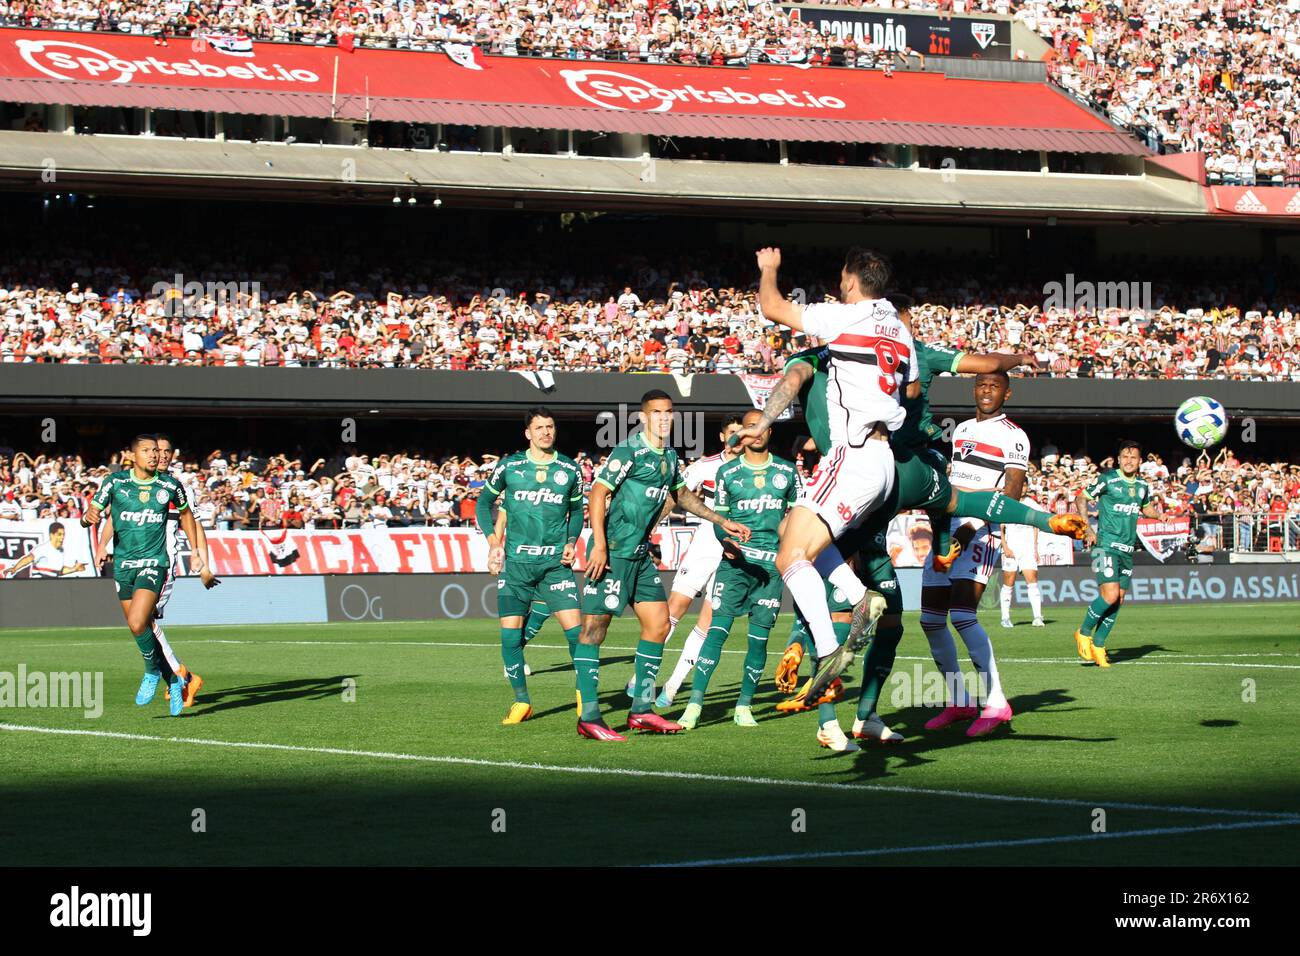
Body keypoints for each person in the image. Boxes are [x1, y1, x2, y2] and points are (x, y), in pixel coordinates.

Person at [751, 246, 914, 753]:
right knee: (806, 545)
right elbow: (906, 392)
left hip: (855, 454)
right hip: (885, 464)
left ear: (849, 279)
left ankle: (827, 651)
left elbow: (773, 308)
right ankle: (858, 595)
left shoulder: (847, 315)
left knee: (788, 556)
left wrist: (770, 270)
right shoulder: (901, 329)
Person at [575, 390, 750, 742]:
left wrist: (721, 520)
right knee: (595, 630)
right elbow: (597, 492)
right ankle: (589, 715)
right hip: (612, 554)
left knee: (657, 625)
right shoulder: (629, 450)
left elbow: (682, 495)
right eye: (656, 412)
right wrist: (600, 545)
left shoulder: (669, 456)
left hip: (639, 556)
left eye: (668, 412)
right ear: (643, 416)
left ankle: (641, 709)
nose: (664, 418)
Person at [919, 371, 1031, 737]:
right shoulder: (963, 430)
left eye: (995, 386)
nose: (987, 390)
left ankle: (997, 702)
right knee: (931, 618)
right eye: (981, 384)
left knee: (963, 614)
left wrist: (970, 527)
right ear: (974, 389)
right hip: (948, 527)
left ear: (1007, 393)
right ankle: (960, 700)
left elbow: (1010, 495)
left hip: (981, 530)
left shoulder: (1014, 436)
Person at [677, 409, 799, 730]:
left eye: (763, 427)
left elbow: (798, 517)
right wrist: (727, 542)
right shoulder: (727, 473)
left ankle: (744, 705)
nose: (756, 432)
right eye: (750, 428)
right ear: (741, 434)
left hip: (770, 573)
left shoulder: (787, 472)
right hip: (734, 569)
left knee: (758, 642)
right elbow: (720, 522)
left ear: (771, 432)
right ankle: (694, 704)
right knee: (716, 635)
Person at [80, 435, 206, 717]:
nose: (157, 455)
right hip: (125, 565)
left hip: (159, 562)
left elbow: (190, 518)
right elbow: (106, 515)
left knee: (141, 620)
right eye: (150, 450)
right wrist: (99, 538)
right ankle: (174, 677)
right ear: (133, 455)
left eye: (162, 451)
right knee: (139, 626)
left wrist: (198, 554)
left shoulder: (172, 486)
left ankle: (173, 674)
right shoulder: (117, 483)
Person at [475, 407, 585, 725]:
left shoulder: (569, 469)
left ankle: (584, 698)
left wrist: (570, 540)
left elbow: (577, 511)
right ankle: (522, 702)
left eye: (550, 426)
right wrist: (493, 542)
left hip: (554, 565)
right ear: (528, 433)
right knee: (510, 638)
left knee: (577, 635)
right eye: (539, 427)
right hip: (516, 567)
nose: (546, 432)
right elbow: (484, 503)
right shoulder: (509, 467)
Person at [645, 413, 746, 708]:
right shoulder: (704, 466)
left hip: (735, 553)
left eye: (742, 433)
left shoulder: (753, 470)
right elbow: (675, 496)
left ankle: (672, 687)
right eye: (732, 432)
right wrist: (651, 525)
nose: (737, 438)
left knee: (708, 620)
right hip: (704, 544)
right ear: (722, 436)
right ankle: (644, 678)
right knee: (673, 610)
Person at [1074, 440, 1168, 667]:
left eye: (1133, 458)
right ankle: (1083, 632)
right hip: (1105, 545)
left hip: (1127, 549)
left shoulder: (1143, 486)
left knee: (1119, 599)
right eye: (1125, 457)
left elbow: (1144, 508)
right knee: (1110, 595)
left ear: (1140, 461)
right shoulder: (1108, 479)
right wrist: (1087, 528)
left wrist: (1159, 516)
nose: (1129, 461)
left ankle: (1099, 644)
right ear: (1118, 459)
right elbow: (1081, 497)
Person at [1000, 494, 1045, 628]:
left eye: (1024, 484)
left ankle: (1037, 617)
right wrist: (1005, 546)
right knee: (1009, 584)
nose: (1022, 487)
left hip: (1027, 549)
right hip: (1011, 549)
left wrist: (1035, 547)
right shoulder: (1007, 502)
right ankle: (1005, 617)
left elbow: (1036, 524)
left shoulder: (1031, 503)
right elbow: (1000, 528)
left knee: (1033, 582)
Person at [2, 521, 85, 578]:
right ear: (51, 535)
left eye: (63, 534)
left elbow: (58, 571)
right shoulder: (43, 548)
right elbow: (29, 558)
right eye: (59, 534)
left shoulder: (61, 550)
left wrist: (74, 569)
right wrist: (15, 568)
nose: (62, 537)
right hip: (39, 584)